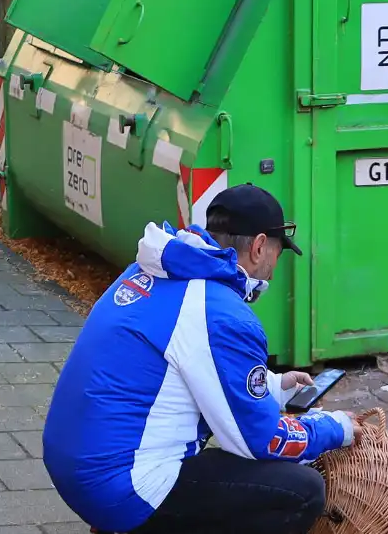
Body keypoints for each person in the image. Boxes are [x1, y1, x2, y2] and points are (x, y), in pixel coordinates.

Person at [43, 184, 360, 534]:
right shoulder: (221, 312)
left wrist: (272, 386)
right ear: (258, 247)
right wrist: (334, 428)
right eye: (277, 253)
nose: (273, 268)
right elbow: (261, 440)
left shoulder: (153, 271)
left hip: (75, 466)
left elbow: (191, 368)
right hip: (121, 488)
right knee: (299, 490)